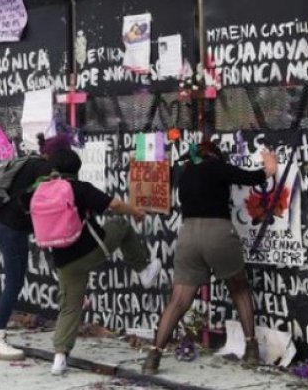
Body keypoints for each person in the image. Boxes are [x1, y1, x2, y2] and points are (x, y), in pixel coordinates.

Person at [143, 140, 278, 374]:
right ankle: (251, 349)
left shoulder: (185, 174)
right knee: (239, 289)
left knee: (178, 301)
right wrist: (269, 169)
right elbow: (250, 178)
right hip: (218, 234)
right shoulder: (215, 166)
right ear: (215, 155)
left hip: (188, 237)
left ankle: (153, 357)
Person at [45, 146, 162, 376]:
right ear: (77, 168)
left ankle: (59, 357)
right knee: (121, 224)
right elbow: (115, 205)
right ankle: (143, 270)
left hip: (62, 260)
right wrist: (136, 211)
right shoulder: (79, 188)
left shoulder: (44, 190)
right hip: (90, 251)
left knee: (69, 307)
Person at [0, 136, 56, 360]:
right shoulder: (43, 169)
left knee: (14, 280)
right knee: (14, 282)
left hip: (0, 223)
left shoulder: (28, 163)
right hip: (10, 228)